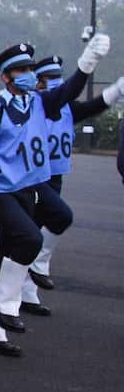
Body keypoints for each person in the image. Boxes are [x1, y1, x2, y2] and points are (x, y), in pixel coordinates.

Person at [0, 37, 107, 356]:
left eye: (31, 69)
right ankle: (6, 306)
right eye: (21, 70)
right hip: (4, 192)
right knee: (29, 239)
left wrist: (88, 62)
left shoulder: (41, 103)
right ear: (6, 77)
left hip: (35, 188)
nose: (29, 75)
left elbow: (70, 90)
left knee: (58, 218)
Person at [15, 55, 123, 316]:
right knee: (35, 230)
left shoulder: (67, 108)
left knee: (43, 228)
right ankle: (20, 283)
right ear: (39, 82)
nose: (56, 81)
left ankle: (28, 290)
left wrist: (115, 90)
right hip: (32, 178)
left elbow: (92, 107)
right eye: (50, 78)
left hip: (55, 176)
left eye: (58, 77)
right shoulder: (36, 105)